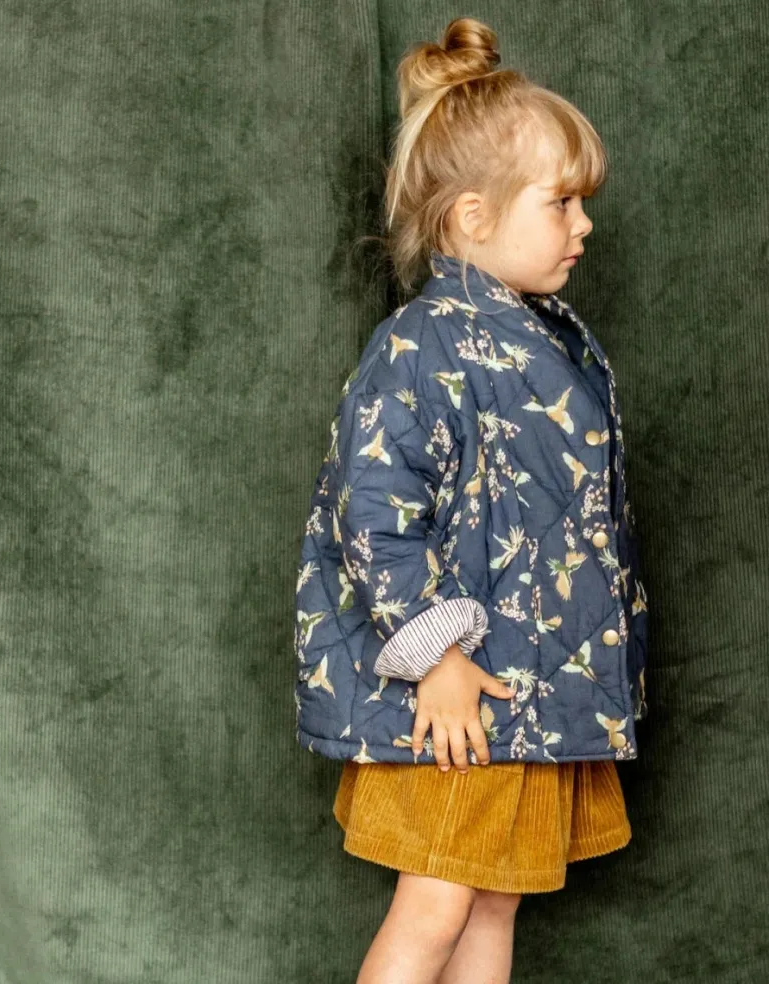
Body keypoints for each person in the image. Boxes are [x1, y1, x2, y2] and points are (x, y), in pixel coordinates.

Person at [292, 15, 650, 984]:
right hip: (458, 698)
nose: (583, 225)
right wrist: (435, 657)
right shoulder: (422, 346)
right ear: (472, 218)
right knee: (438, 904)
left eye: (582, 203)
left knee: (492, 900)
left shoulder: (542, 339)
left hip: (516, 694)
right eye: (561, 202)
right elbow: (371, 516)